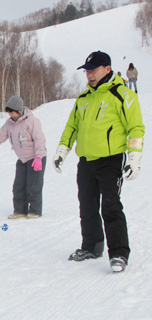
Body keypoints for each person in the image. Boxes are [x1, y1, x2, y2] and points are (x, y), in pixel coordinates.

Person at [53, 51, 144, 273]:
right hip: (86, 160)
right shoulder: (83, 98)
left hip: (112, 159)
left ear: (107, 69)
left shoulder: (123, 94)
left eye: (93, 70)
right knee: (87, 205)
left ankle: (119, 253)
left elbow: (136, 128)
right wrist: (62, 151)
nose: (89, 75)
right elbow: (71, 127)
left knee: (111, 206)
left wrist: (134, 158)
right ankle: (91, 247)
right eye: (87, 71)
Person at [0, 96, 47, 219]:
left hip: (36, 158)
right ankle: (20, 210)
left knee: (34, 185)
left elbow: (40, 139)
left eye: (11, 111)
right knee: (18, 185)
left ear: (19, 110)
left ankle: (35, 210)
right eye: (8, 112)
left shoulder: (32, 121)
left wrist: (38, 157)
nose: (10, 114)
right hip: (22, 159)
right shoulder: (9, 123)